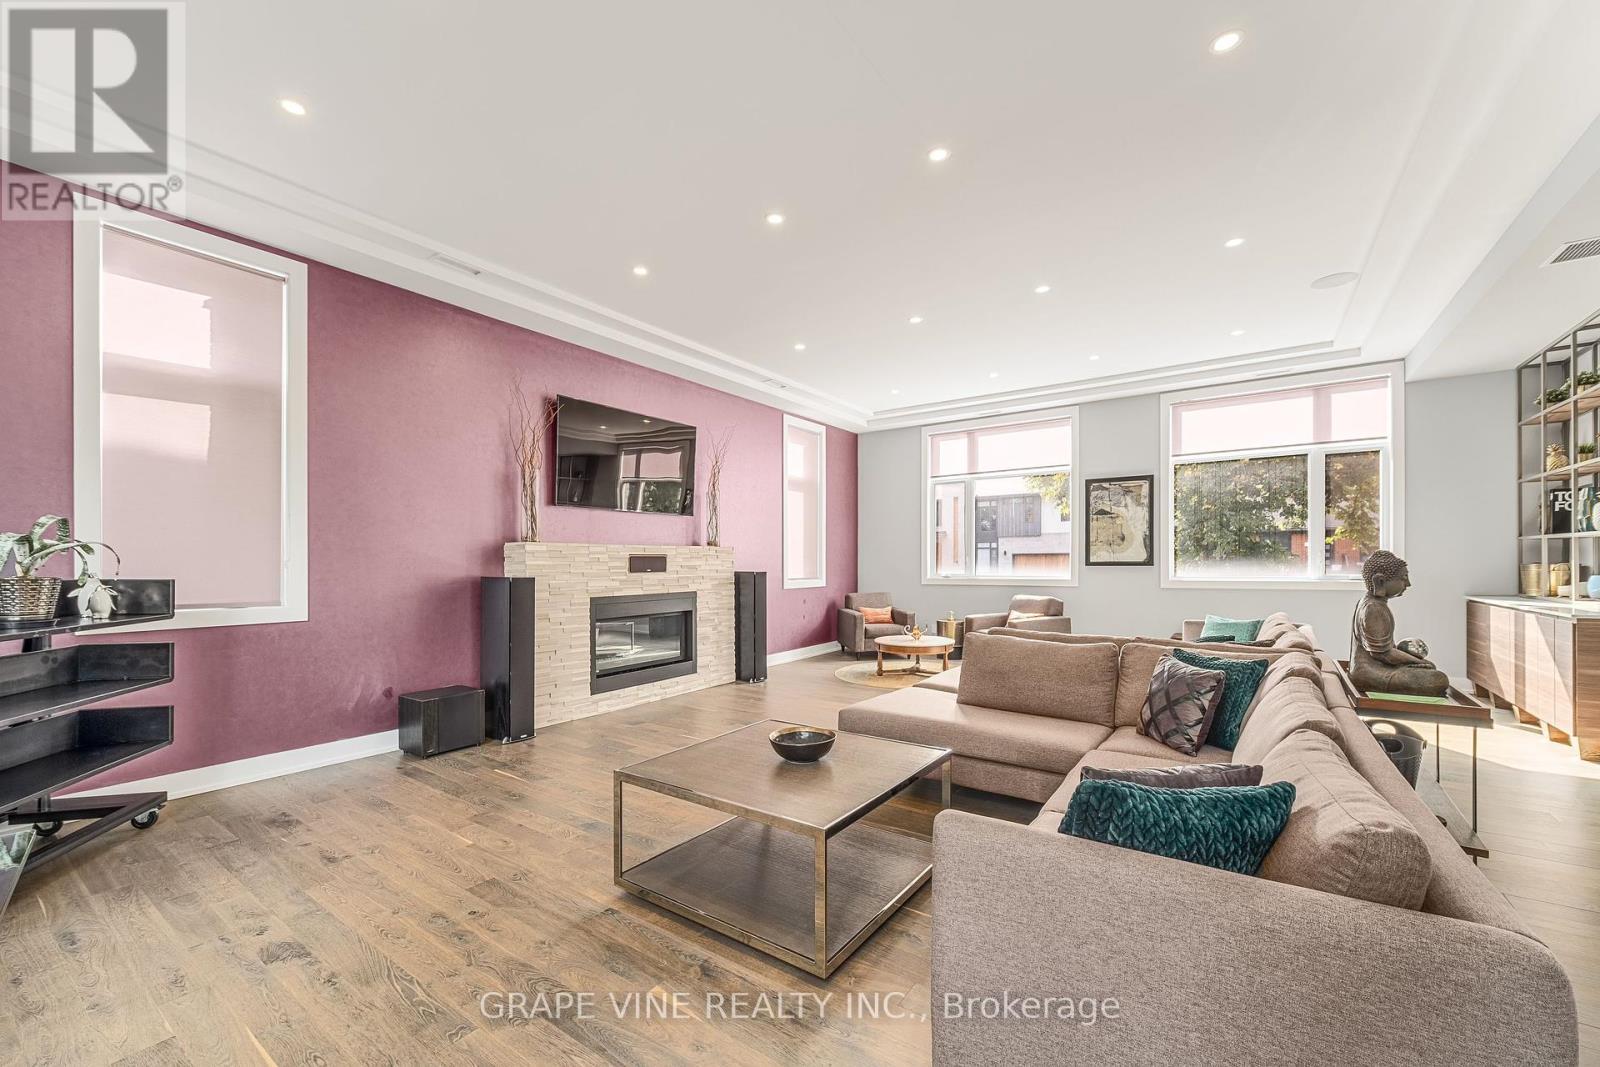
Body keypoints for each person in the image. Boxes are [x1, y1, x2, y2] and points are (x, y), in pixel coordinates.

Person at [1349, 551, 1449, 697]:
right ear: (1380, 582)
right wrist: (1418, 661)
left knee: (1429, 672)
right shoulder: (1374, 608)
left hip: (1377, 667)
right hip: (1371, 673)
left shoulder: (1373, 603)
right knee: (1438, 679)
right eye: (1403, 579)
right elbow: (1383, 654)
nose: (1408, 584)